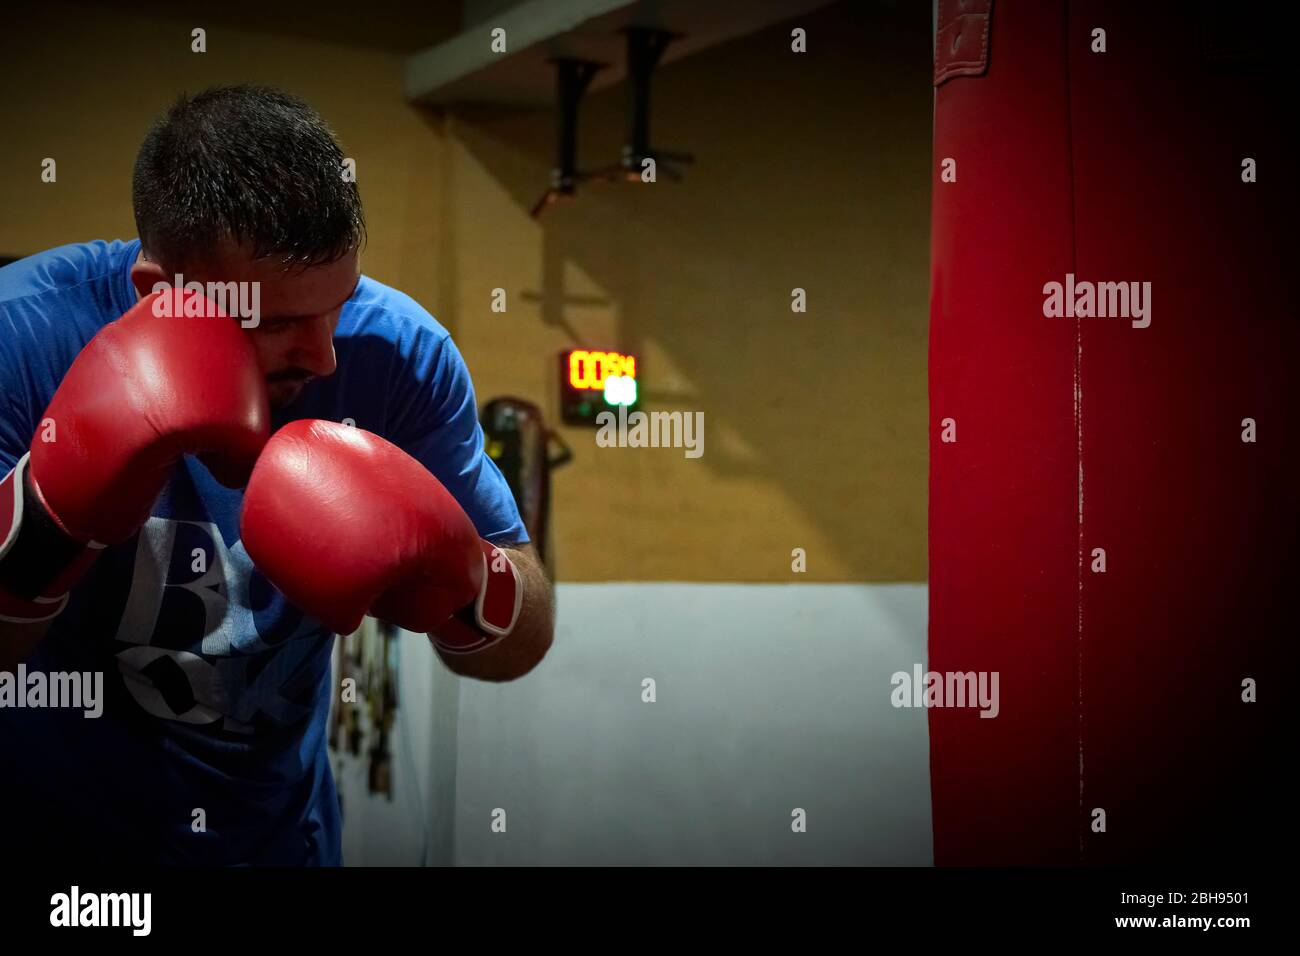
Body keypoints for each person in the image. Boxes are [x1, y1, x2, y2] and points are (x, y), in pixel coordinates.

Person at [0, 84, 554, 865]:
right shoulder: (23, 337)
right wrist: (52, 511)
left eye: (339, 302)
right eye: (279, 322)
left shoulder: (400, 357)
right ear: (165, 296)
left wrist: (468, 580)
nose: (325, 355)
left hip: (280, 842)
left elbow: (522, 646)